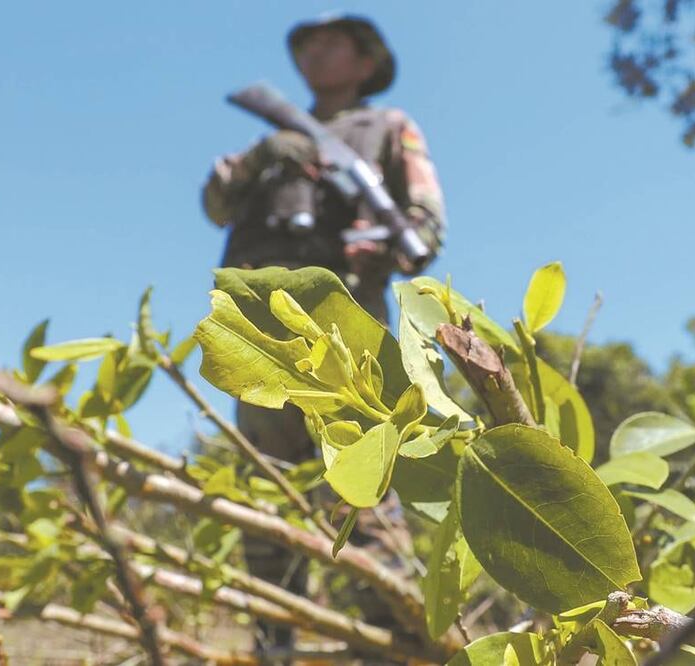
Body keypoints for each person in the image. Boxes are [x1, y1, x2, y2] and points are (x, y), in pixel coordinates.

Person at [200, 13, 446, 658]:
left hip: (345, 330)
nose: (315, 52)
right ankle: (273, 642)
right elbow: (215, 206)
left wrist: (378, 243)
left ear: (366, 62)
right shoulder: (274, 136)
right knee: (268, 492)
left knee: (360, 490)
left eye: (333, 43)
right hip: (259, 335)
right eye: (307, 44)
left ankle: (396, 644)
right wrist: (263, 156)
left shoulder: (387, 127)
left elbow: (424, 223)